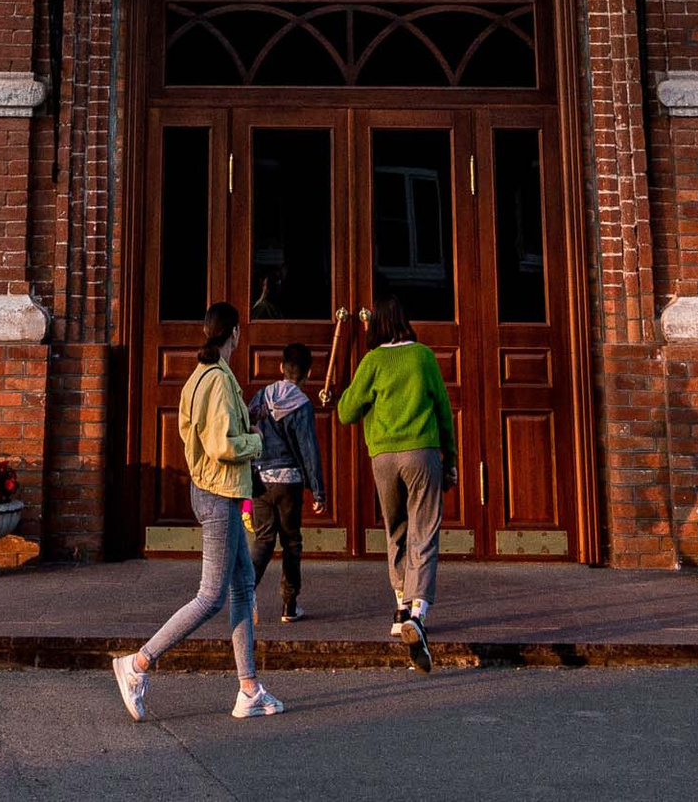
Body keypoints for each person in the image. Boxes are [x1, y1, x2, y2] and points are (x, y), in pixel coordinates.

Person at [114, 301, 281, 724]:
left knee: (243, 586)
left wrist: (246, 423)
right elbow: (223, 446)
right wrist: (256, 441)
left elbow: (198, 433)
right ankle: (137, 665)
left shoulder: (198, 377)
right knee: (211, 596)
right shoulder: (220, 381)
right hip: (219, 494)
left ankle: (249, 689)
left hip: (209, 489)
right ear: (236, 335)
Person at [336, 291, 456, 670]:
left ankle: (400, 606)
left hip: (384, 456)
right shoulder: (422, 356)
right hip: (421, 451)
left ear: (376, 326)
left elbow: (345, 412)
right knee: (426, 530)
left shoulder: (372, 361)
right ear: (403, 320)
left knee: (397, 529)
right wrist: (450, 457)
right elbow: (443, 409)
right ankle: (418, 615)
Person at [249, 339, 326, 620]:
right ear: (308, 374)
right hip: (289, 483)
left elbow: (248, 427)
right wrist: (318, 491)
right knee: (291, 542)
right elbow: (309, 450)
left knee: (263, 540)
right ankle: (289, 605)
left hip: (260, 480)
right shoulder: (302, 404)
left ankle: (245, 593)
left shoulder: (261, 396)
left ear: (281, 367)